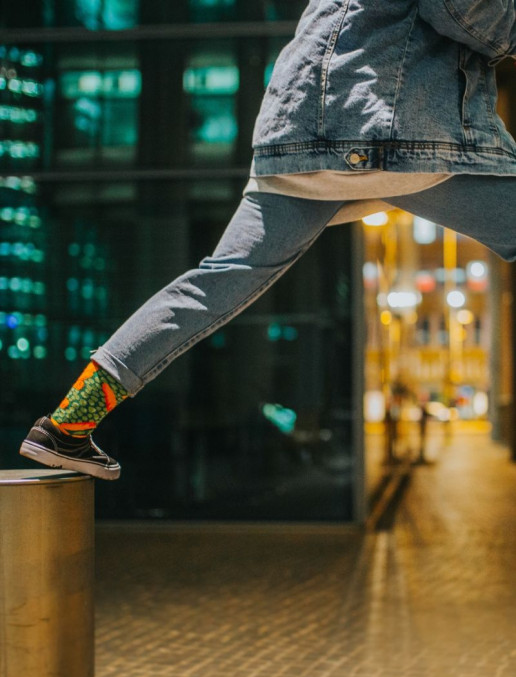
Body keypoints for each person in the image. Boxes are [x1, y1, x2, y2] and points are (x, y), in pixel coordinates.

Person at [20, 0, 516, 480]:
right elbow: (464, 11)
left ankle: (67, 423)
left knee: (215, 282)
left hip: (302, 128)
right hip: (388, 124)